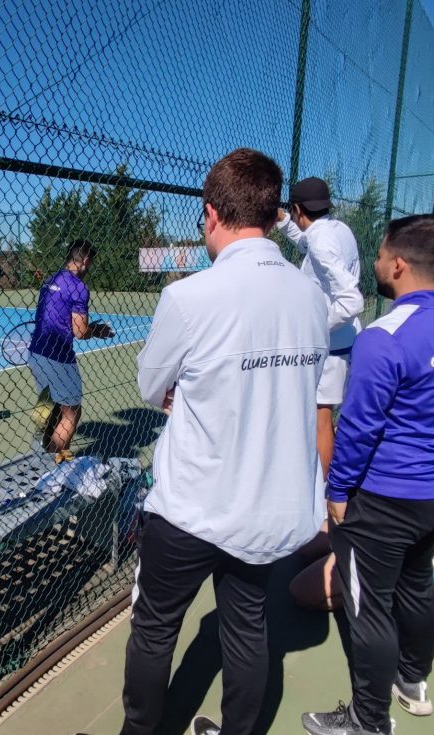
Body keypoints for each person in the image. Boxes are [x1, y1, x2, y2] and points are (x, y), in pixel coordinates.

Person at [122, 148, 328, 735]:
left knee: (156, 627)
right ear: (271, 214)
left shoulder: (190, 297)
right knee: (248, 625)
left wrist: (184, 389)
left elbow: (150, 386)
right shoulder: (309, 297)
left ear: (211, 214)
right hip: (268, 508)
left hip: (191, 506)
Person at [301, 215, 434, 735]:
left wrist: (337, 492)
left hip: (386, 501)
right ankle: (413, 682)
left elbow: (359, 428)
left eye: (381, 256)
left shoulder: (383, 338)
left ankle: (367, 722)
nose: (377, 265)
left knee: (368, 610)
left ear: (399, 265)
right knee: (416, 587)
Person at [277, 177, 364, 612]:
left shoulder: (324, 242)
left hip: (328, 346)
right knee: (320, 418)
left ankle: (328, 510)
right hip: (341, 346)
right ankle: (324, 513)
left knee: (319, 419)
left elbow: (351, 301)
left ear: (297, 207)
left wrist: (313, 325)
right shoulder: (336, 230)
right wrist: (287, 227)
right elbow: (315, 245)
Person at [28, 239, 113, 464]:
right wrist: (98, 330)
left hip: (36, 351)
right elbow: (80, 331)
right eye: (91, 263)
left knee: (49, 398)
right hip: (59, 356)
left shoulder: (50, 280)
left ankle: (42, 441)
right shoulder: (78, 287)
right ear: (85, 261)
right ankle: (56, 459)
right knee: (72, 411)